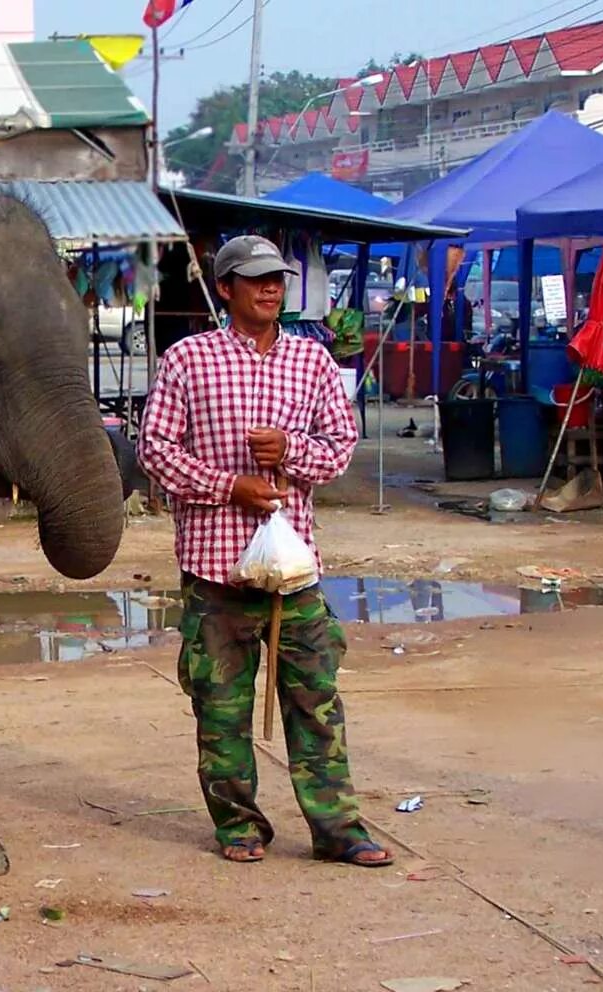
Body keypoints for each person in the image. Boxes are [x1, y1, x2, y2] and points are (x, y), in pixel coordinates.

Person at [137, 235, 392, 868]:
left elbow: (338, 447)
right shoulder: (187, 361)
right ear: (226, 289)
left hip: (294, 572)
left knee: (316, 704)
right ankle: (239, 825)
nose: (270, 288)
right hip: (216, 571)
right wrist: (230, 485)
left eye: (276, 278)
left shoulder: (312, 362)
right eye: (254, 279)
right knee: (220, 710)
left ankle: (339, 829)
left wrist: (291, 454)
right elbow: (155, 451)